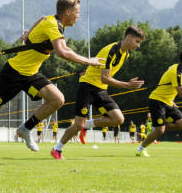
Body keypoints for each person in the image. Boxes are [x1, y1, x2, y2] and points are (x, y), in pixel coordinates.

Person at [0, 0, 101, 164]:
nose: (78, 16)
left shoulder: (54, 23)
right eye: (77, 12)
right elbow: (62, 52)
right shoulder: (52, 25)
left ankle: (25, 128)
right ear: (67, 12)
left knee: (57, 99)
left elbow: (42, 19)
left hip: (31, 74)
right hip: (13, 73)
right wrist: (89, 61)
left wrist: (29, 32)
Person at [51, 26, 145, 159]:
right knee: (78, 124)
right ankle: (57, 149)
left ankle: (87, 125)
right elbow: (105, 77)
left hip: (101, 89)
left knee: (118, 119)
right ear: (128, 37)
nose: (138, 45)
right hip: (87, 87)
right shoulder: (112, 51)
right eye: (137, 41)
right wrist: (128, 85)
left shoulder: (125, 53)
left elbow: (103, 78)